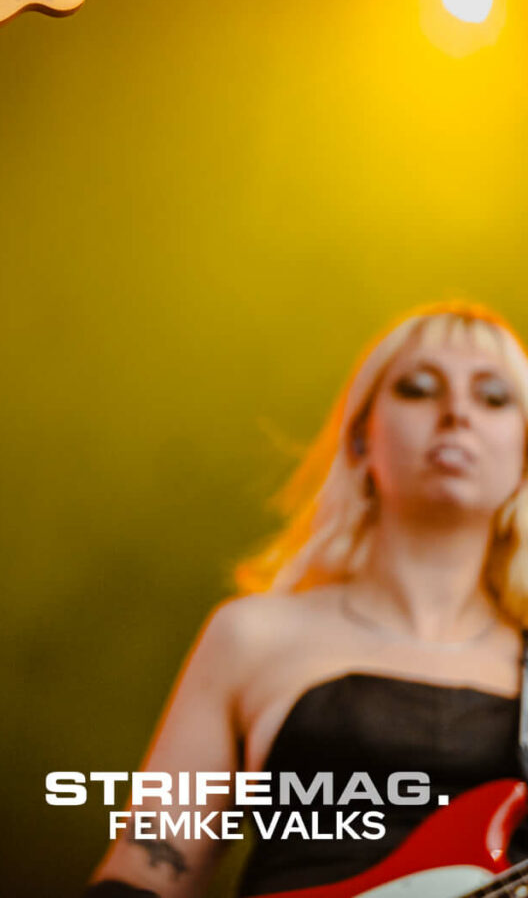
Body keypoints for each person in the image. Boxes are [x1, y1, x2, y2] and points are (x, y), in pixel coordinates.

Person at [87, 304, 528, 896]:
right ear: (358, 440)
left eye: (494, 397)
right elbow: (145, 872)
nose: (456, 413)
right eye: (419, 388)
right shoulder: (251, 636)